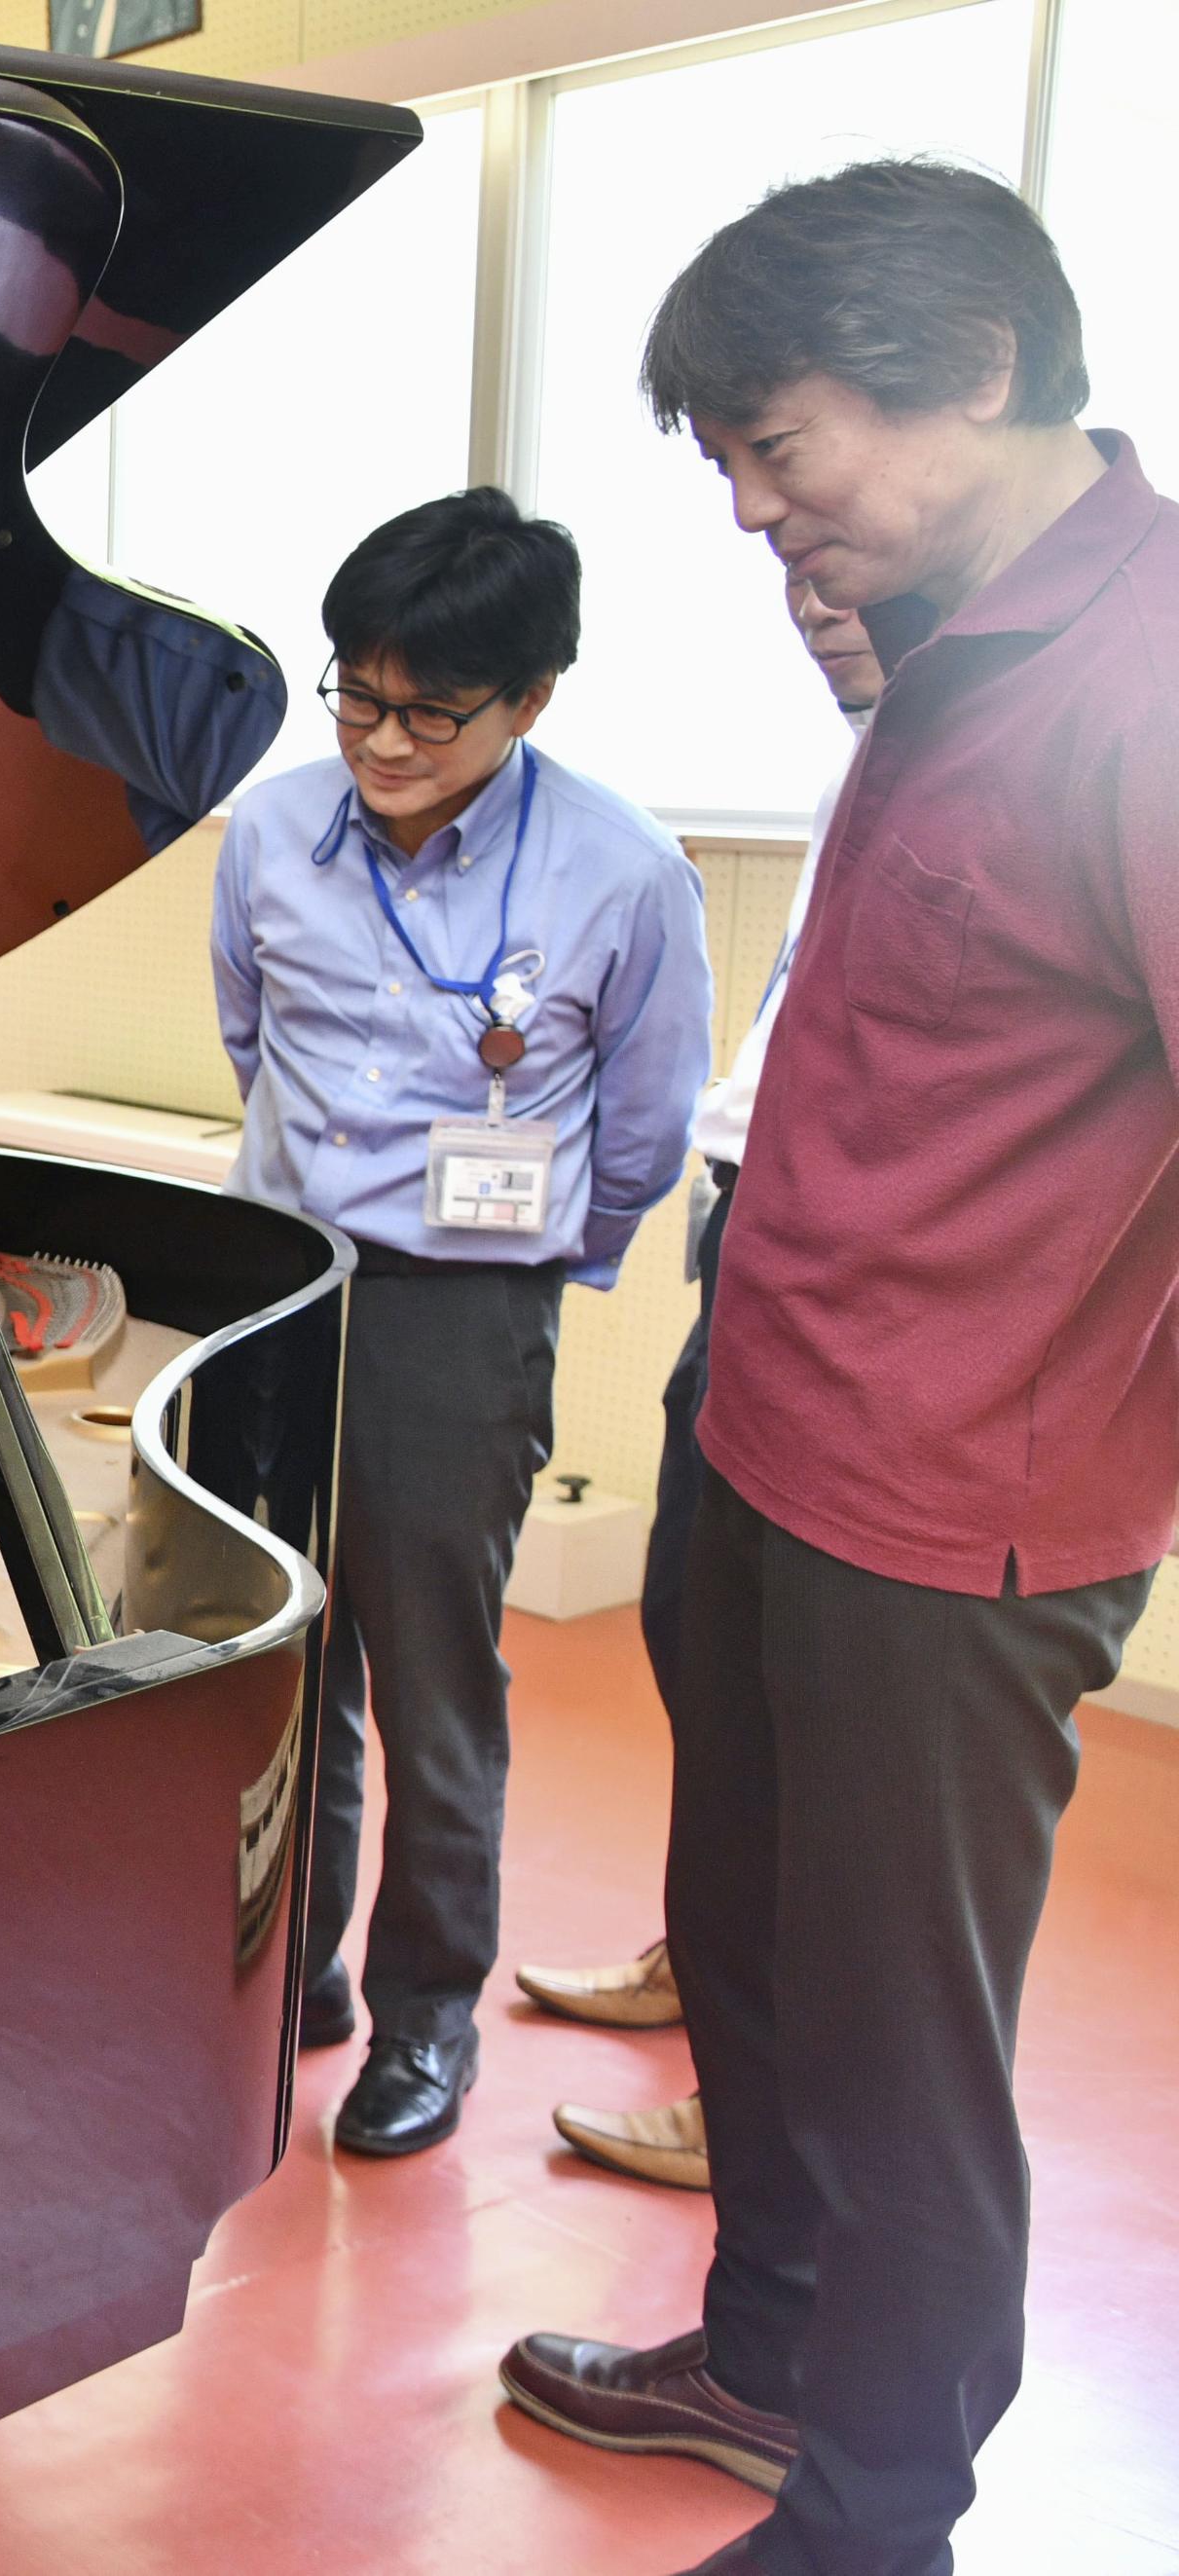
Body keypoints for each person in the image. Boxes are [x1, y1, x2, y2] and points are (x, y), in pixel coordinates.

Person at [499, 162, 1175, 2576]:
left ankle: (875, 2512)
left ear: (975, 375)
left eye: (780, 447)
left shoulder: (1150, 682)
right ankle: (766, 2353)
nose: (765, 510)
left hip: (949, 1506)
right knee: (757, 1961)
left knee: (903, 2053)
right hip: (766, 1422)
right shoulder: (940, 618)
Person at [213, 488, 713, 2157]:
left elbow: (642, 1132)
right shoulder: (272, 832)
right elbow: (246, 1037)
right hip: (277, 1294)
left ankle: (428, 2017)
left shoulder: (623, 870)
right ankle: (303, 1970)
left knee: (434, 1680)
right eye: (357, 692)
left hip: (461, 1309)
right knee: (287, 1659)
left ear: (532, 700)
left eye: (433, 710)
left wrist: (519, 1285)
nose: (384, 737)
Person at [525, 569, 885, 2198]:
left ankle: (763, 2096)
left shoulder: (1031, 751)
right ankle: (708, 1970)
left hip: (848, 1286)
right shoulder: (868, 758)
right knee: (702, 1641)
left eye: (848, 571)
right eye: (800, 584)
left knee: (813, 1715)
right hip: (754, 1233)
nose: (817, 602)